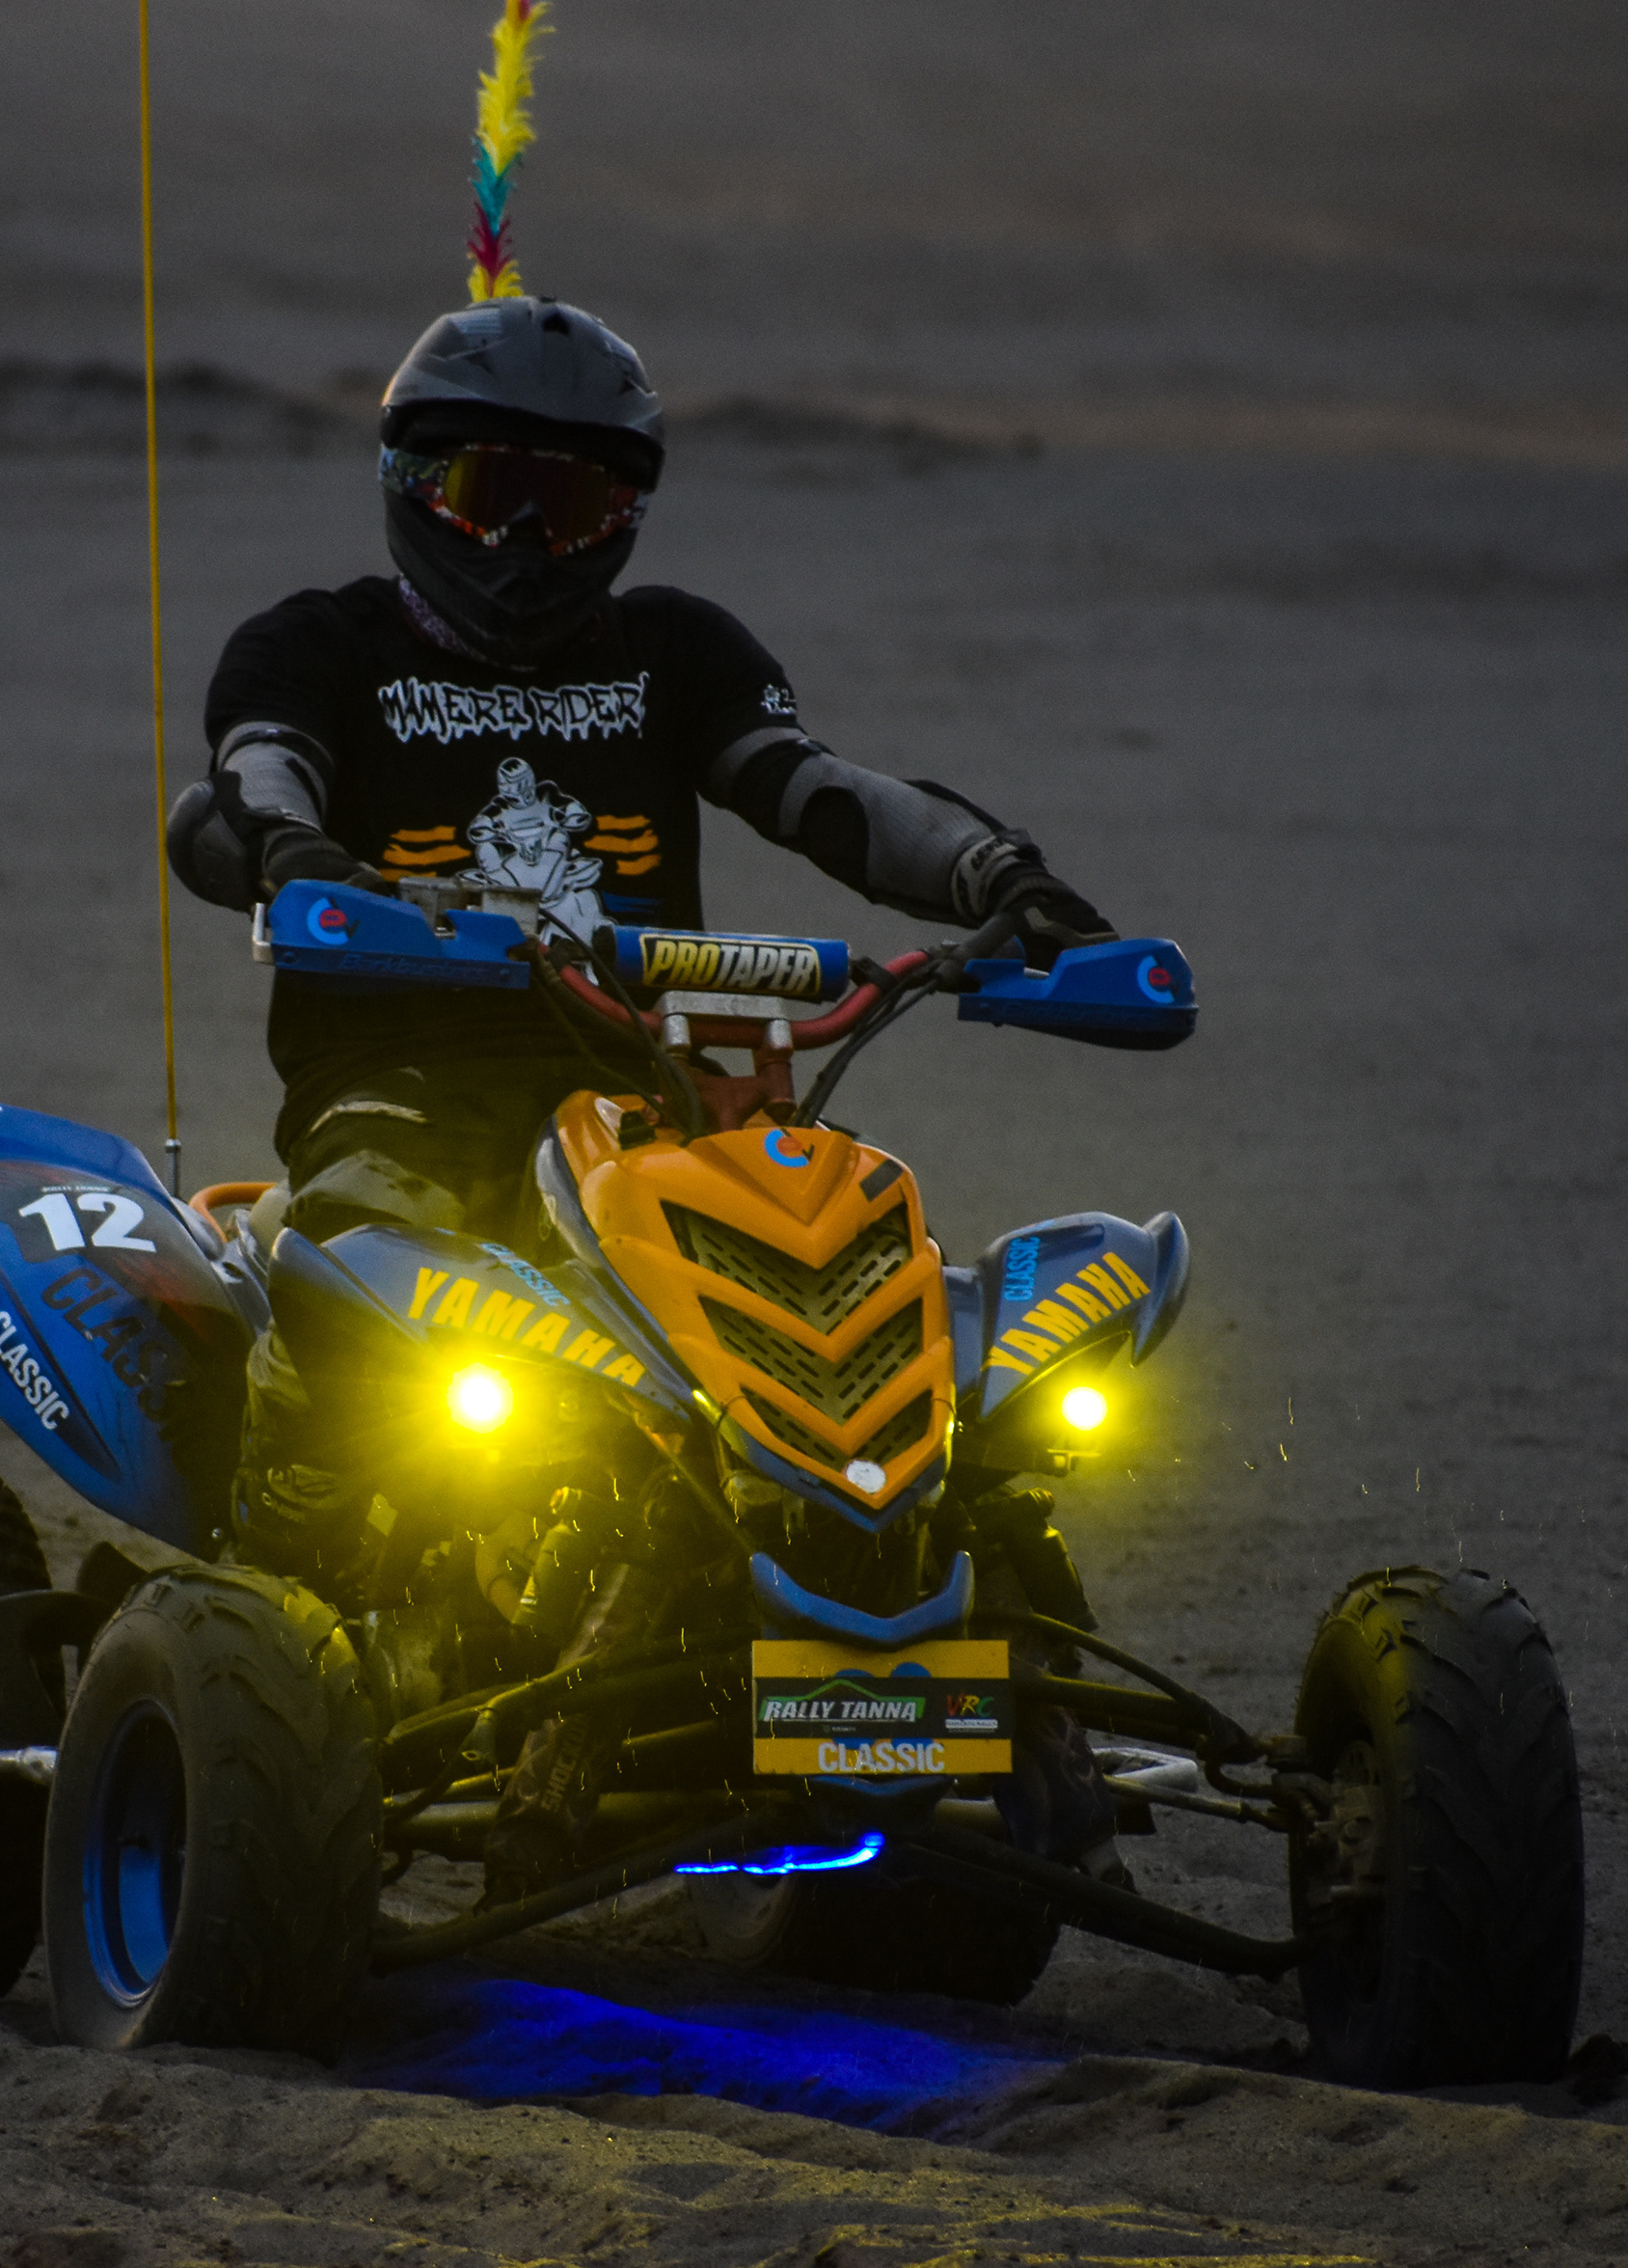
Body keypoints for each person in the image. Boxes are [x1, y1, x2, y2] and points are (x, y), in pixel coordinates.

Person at [162, 293, 1116, 1578]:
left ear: (626, 519)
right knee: (351, 1263)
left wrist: (1001, 881)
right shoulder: (320, 646)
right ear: (410, 482)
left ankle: (927, 1569)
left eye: (576, 509)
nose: (527, 541)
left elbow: (815, 791)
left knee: (855, 1277)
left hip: (649, 1095)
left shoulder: (675, 649)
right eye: (490, 491)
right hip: (397, 1088)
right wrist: (303, 854)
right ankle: (280, 1549)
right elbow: (258, 770)